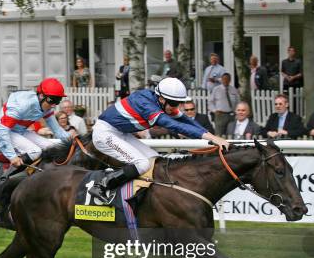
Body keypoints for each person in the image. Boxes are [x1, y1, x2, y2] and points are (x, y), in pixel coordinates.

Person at [88, 77, 229, 202]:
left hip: (121, 133)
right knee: (142, 164)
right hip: (104, 133)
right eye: (174, 103)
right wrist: (212, 138)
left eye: (178, 103)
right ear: (161, 99)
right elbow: (174, 125)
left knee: (155, 160)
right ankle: (101, 186)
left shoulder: (162, 101)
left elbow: (186, 120)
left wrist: (212, 136)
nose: (176, 107)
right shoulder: (146, 104)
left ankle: (140, 193)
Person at [0, 77, 70, 175]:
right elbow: (2, 130)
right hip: (1, 131)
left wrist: (74, 141)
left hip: (19, 131)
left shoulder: (46, 106)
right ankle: (6, 178)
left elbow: (57, 130)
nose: (54, 105)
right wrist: (12, 156)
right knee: (35, 151)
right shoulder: (21, 105)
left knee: (53, 148)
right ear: (41, 96)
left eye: (58, 100)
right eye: (52, 100)